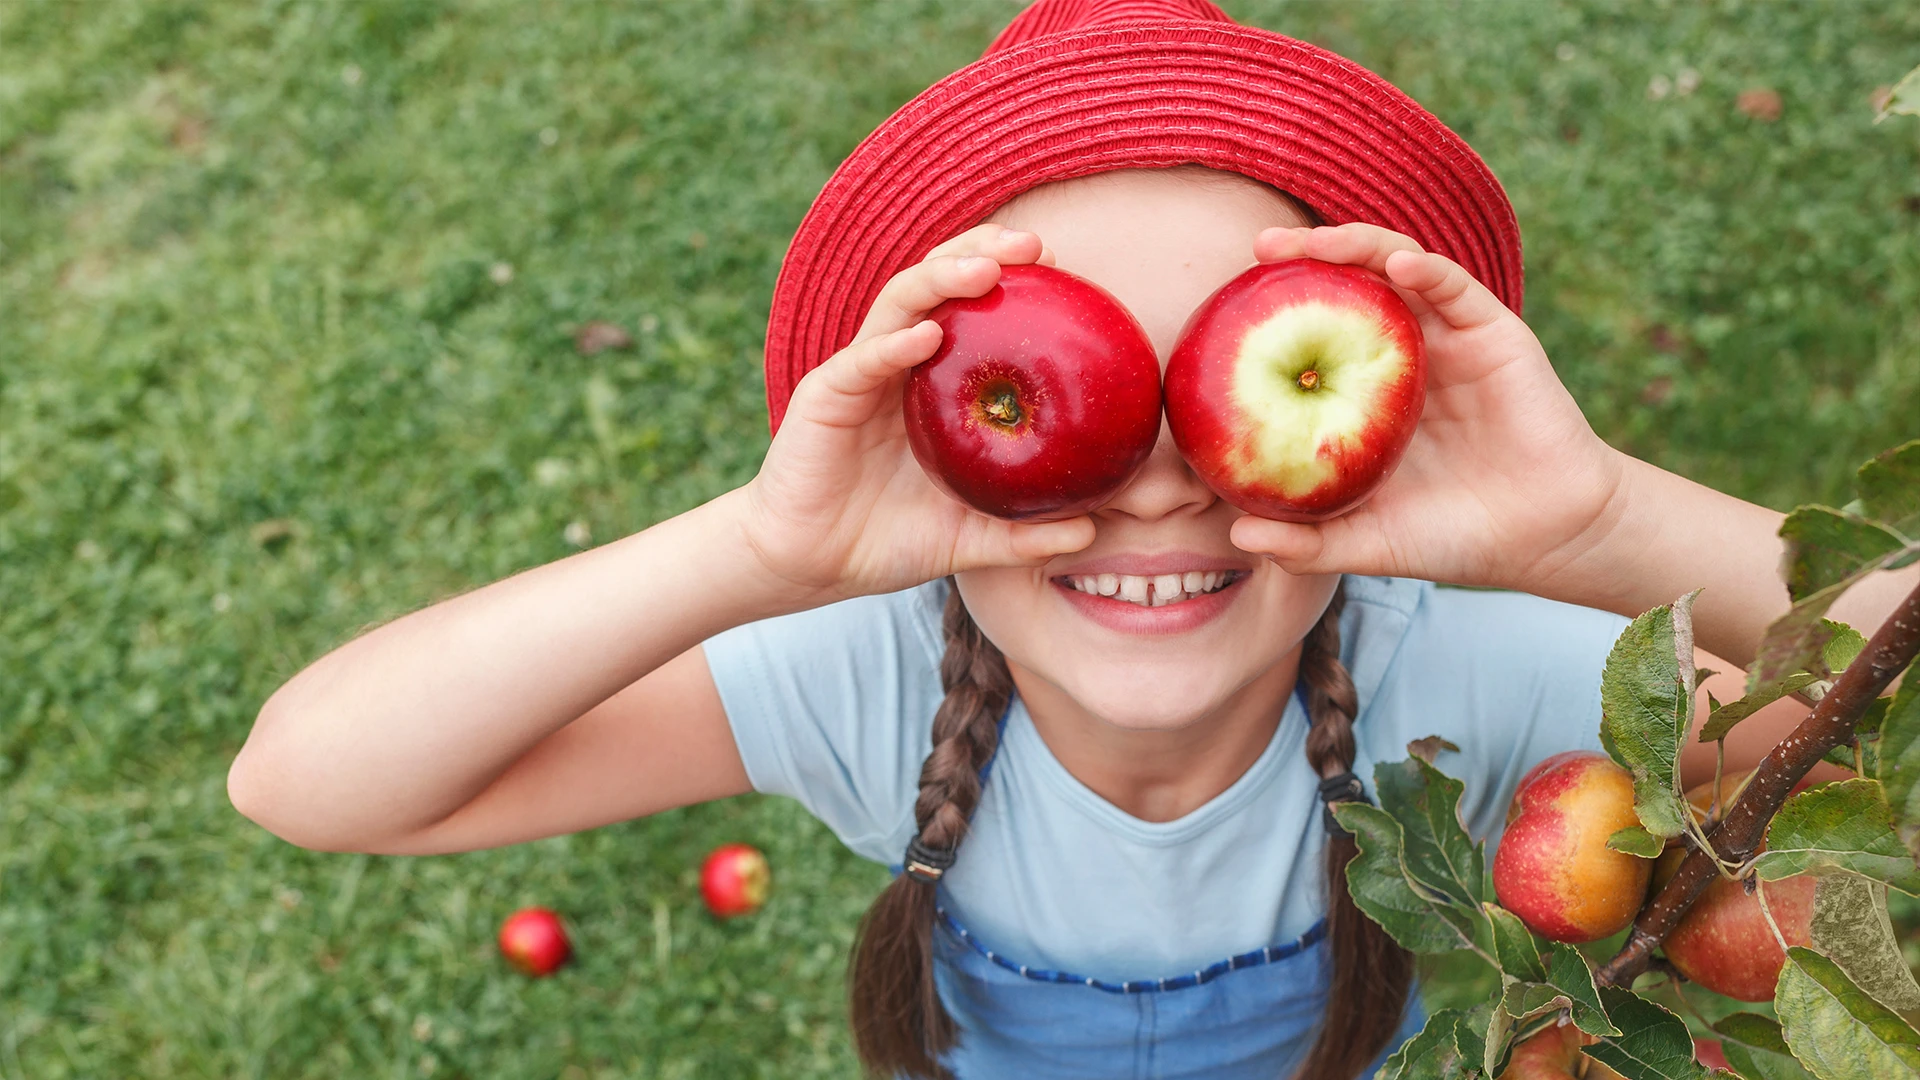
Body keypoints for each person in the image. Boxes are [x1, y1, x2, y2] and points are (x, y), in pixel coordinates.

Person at [226, 2, 1916, 1078]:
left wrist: (1600, 518)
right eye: (1082, 412)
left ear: (1364, 424)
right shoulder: (865, 679)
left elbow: (1887, 683)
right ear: (920, 431)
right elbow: (313, 780)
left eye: (1217, 387)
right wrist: (758, 553)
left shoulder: (1454, 659)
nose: (1164, 486)